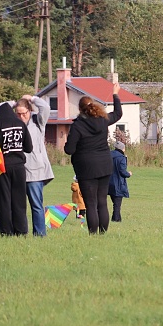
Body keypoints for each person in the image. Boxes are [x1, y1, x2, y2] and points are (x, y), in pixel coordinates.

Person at [63, 82, 123, 235]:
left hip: (86, 168)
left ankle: (93, 234)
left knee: (90, 203)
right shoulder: (103, 120)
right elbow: (118, 114)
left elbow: (69, 150)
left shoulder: (78, 126)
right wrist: (115, 94)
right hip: (104, 165)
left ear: (80, 109)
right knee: (102, 201)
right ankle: (103, 233)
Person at [0, 95, 55, 237]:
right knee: (16, 205)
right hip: (17, 170)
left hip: (35, 171)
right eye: (18, 113)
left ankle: (39, 234)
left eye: (24, 113)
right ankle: (18, 232)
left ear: (30, 111)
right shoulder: (12, 123)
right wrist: (13, 103)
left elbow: (46, 107)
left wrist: (32, 98)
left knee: (36, 205)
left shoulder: (38, 121)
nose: (21, 116)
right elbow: (0, 108)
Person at [0, 101, 33, 236]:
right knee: (19, 200)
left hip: (2, 168)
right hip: (19, 168)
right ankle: (21, 230)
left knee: (3, 199)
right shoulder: (21, 125)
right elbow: (29, 148)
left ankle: (6, 231)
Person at [109, 141, 132, 222]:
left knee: (115, 203)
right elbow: (122, 171)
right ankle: (116, 219)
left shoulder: (108, 155)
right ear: (122, 149)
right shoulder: (121, 158)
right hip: (118, 183)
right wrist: (128, 174)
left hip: (108, 182)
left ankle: (117, 219)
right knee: (117, 203)